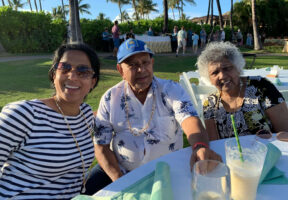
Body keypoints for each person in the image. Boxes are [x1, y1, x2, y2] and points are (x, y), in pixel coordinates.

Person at [84, 39, 221, 195]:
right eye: (133, 65)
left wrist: (200, 146)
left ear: (152, 63)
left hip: (166, 171)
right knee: (82, 192)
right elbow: (101, 146)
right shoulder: (110, 98)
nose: (141, 69)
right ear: (120, 70)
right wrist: (121, 181)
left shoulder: (171, 90)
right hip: (121, 170)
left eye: (145, 62)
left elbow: (189, 118)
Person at [0, 43, 100, 199]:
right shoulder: (23, 114)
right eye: (64, 68)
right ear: (54, 75)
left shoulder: (85, 114)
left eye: (83, 71)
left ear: (93, 82)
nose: (72, 76)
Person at [197, 42, 288, 140]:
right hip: (232, 154)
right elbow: (214, 144)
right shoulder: (210, 104)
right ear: (209, 78)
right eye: (215, 72)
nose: (222, 76)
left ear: (238, 68)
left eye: (227, 68)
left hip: (269, 152)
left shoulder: (261, 87)